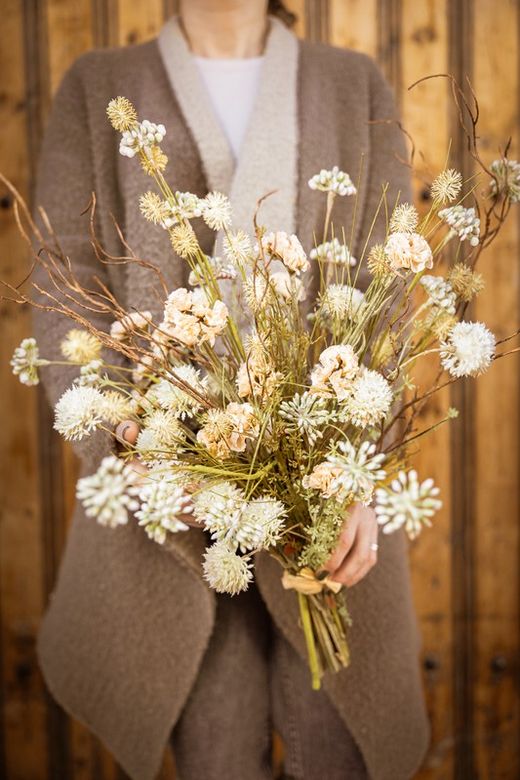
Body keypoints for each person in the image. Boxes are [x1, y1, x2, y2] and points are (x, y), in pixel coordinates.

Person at [33, 2, 430, 778]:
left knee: (337, 748)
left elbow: (392, 288)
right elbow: (65, 284)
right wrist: (130, 442)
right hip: (174, 504)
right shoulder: (98, 84)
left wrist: (352, 473)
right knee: (214, 748)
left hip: (326, 497)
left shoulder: (354, 84)